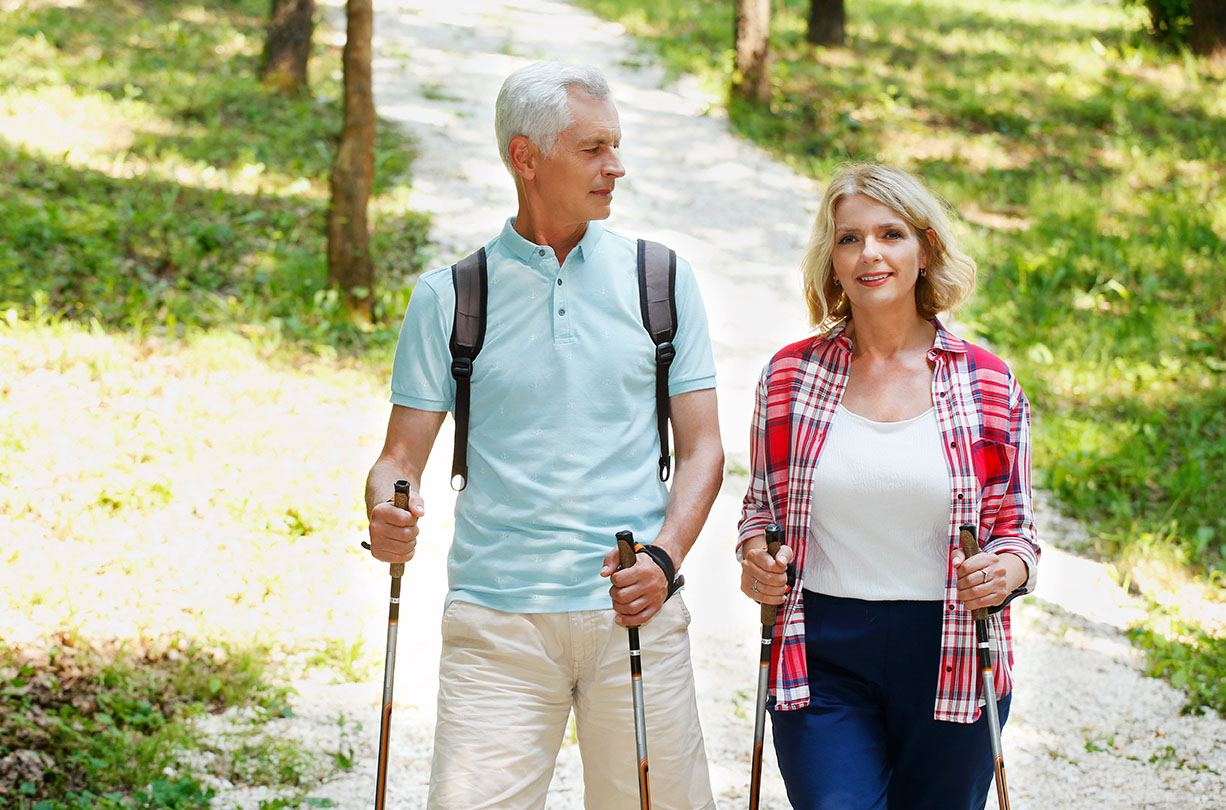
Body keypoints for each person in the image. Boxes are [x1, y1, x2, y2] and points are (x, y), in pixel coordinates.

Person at [364, 61, 723, 810]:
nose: (615, 167)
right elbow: (399, 459)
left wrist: (665, 558)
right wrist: (390, 509)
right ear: (526, 158)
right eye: (592, 149)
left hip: (635, 609)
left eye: (616, 146)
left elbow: (702, 450)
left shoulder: (660, 279)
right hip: (497, 624)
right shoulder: (450, 296)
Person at [738, 163, 1039, 810]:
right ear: (833, 260)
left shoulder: (988, 383)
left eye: (890, 234)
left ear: (924, 249)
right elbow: (761, 511)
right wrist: (755, 560)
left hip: (950, 649)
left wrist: (1006, 571)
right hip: (820, 651)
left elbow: (1017, 531)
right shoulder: (790, 377)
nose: (869, 252)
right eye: (849, 238)